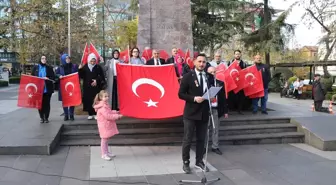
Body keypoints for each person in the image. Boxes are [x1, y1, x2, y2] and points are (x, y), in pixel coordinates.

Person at [178, 53, 210, 174]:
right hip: (190, 113)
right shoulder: (187, 76)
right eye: (200, 61)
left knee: (201, 139)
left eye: (204, 62)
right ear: (195, 62)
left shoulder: (208, 76)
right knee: (188, 139)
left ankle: (199, 161)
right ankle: (186, 162)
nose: (202, 64)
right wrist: (193, 98)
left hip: (204, 113)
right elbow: (180, 94)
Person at [93, 90, 122, 161]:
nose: (107, 97)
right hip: (104, 126)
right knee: (104, 139)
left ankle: (106, 152)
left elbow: (109, 112)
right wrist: (117, 116)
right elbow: (108, 116)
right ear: (101, 97)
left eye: (107, 96)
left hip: (106, 125)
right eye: (105, 96)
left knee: (106, 139)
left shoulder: (105, 104)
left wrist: (116, 112)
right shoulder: (102, 107)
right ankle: (103, 154)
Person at [207, 66, 228, 155]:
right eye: (211, 72)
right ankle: (203, 147)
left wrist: (225, 111)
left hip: (216, 109)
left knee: (215, 129)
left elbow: (223, 98)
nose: (213, 74)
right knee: (205, 129)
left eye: (214, 72)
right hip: (207, 109)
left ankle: (215, 146)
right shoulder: (205, 83)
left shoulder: (220, 83)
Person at [79, 53, 106, 120]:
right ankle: (90, 113)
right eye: (91, 61)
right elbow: (81, 76)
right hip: (87, 87)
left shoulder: (98, 67)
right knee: (88, 100)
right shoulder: (85, 67)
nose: (92, 62)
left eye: (94, 61)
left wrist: (96, 81)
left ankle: (96, 113)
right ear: (89, 60)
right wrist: (80, 69)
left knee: (96, 100)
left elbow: (102, 76)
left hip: (96, 88)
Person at [32, 55, 55, 123]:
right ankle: (42, 117)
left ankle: (46, 117)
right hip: (38, 89)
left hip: (47, 89)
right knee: (40, 104)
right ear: (40, 59)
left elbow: (53, 77)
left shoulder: (49, 68)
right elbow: (32, 78)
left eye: (45, 58)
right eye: (42, 58)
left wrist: (48, 78)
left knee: (47, 104)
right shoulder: (35, 68)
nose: (44, 59)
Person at [56, 54, 78, 121]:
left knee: (72, 101)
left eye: (68, 58)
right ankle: (66, 115)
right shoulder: (60, 67)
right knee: (65, 101)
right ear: (63, 60)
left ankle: (71, 114)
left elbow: (77, 73)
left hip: (72, 86)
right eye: (66, 58)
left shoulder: (74, 66)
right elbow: (56, 74)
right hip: (63, 87)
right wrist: (59, 75)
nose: (68, 59)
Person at [228, 50, 247, 114]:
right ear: (234, 55)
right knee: (232, 96)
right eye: (236, 54)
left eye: (238, 54)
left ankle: (240, 109)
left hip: (240, 82)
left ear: (240, 55)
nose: (237, 55)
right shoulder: (230, 62)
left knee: (241, 97)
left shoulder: (244, 63)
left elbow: (246, 72)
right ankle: (231, 109)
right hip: (232, 82)